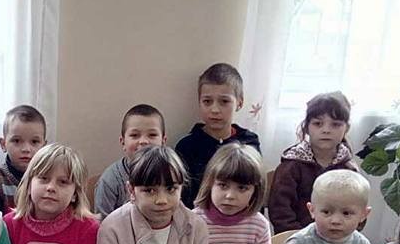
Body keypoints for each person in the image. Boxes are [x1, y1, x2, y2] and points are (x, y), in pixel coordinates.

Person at [269, 92, 357, 232]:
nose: (326, 130)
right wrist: (301, 239)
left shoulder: (348, 169)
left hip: (337, 239)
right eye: (318, 124)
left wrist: (341, 235)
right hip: (295, 238)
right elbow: (280, 211)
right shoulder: (291, 166)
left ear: (346, 128)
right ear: (307, 127)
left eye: (335, 124)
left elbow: (356, 209)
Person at [176, 63, 260, 208]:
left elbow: (255, 188)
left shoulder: (249, 142)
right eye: (207, 102)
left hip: (240, 218)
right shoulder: (187, 146)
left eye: (224, 102)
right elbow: (182, 197)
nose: (215, 109)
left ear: (239, 103)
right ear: (199, 102)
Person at [93, 104, 167, 217]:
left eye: (152, 135)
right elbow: (102, 222)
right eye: (135, 135)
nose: (143, 141)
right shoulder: (110, 181)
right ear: (123, 142)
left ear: (163, 141)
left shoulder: (171, 175)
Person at [0, 105, 47, 212]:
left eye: (34, 142)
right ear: (3, 144)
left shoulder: (50, 179)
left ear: (44, 147)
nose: (26, 149)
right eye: (16, 141)